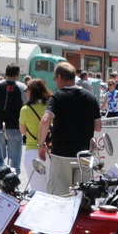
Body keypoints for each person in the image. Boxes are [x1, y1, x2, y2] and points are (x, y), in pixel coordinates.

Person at [36, 59, 101, 196]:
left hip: (62, 153)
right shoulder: (90, 97)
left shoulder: (58, 97)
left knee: (59, 196)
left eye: (55, 79)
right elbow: (98, 127)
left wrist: (41, 144)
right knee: (84, 197)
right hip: (84, 154)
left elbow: (45, 120)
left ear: (59, 77)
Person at [0, 63, 24, 173]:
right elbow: (27, 107)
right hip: (15, 127)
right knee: (14, 161)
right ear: (17, 74)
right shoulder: (22, 87)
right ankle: (12, 184)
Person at [19, 78, 49, 185]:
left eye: (26, 89)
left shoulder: (26, 109)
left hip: (32, 150)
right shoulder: (50, 106)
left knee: (37, 189)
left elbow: (23, 131)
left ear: (31, 91)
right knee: (52, 189)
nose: (26, 92)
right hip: (51, 151)